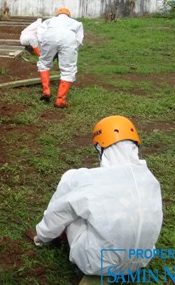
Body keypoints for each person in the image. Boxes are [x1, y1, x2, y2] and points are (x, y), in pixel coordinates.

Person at [33, 115, 163, 276]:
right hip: (141, 260)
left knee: (72, 205)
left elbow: (58, 213)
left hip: (97, 264)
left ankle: (57, 241)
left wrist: (42, 236)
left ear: (101, 147)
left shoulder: (87, 180)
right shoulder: (150, 179)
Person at [36, 8, 83, 107]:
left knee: (44, 63)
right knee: (68, 69)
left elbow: (40, 34)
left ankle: (46, 91)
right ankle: (60, 100)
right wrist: (71, 50)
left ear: (57, 15)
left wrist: (44, 45)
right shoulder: (76, 23)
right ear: (69, 15)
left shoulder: (50, 21)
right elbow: (78, 40)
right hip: (68, 38)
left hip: (50, 36)